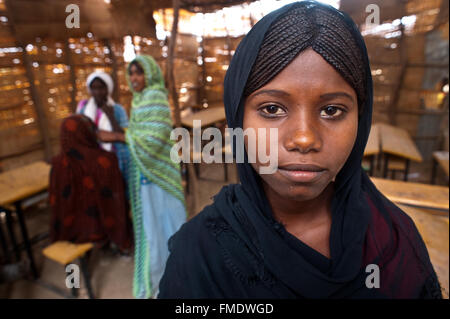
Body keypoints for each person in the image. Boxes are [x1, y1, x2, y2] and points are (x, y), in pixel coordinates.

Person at [158, 1, 442, 298]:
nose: (304, 139)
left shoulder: (394, 239)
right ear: (237, 117)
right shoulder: (200, 258)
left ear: (361, 116)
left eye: (332, 110)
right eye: (271, 108)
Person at [100, 55, 186, 299]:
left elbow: (153, 139)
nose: (134, 78)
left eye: (139, 73)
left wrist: (117, 137)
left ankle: (179, 277)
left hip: (160, 176)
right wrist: (124, 135)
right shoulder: (137, 101)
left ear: (150, 74)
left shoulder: (156, 97)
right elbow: (138, 135)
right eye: (132, 73)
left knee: (170, 226)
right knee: (153, 231)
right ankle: (161, 280)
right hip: (144, 177)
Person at [49, 115, 132, 252]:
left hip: (71, 231)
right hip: (104, 227)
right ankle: (109, 239)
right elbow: (118, 198)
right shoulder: (105, 161)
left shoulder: (57, 164)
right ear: (86, 133)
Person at [76, 71, 131, 186]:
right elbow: (80, 134)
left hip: (115, 159)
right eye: (94, 88)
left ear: (108, 89)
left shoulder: (117, 109)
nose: (97, 92)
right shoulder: (84, 109)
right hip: (91, 159)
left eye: (101, 88)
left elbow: (125, 136)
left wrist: (110, 116)